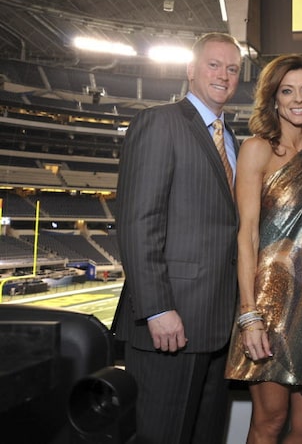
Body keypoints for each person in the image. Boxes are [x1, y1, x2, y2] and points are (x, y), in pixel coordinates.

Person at [113, 32, 242, 443]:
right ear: (190, 69)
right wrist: (156, 308)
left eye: (233, 68)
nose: (224, 75)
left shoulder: (232, 138)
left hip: (217, 325)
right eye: (214, 64)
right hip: (171, 321)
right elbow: (138, 220)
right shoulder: (160, 122)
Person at [224, 54, 302, 442]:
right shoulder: (258, 149)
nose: (298, 99)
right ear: (273, 98)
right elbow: (248, 234)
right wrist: (249, 314)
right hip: (268, 306)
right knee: (270, 420)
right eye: (287, 90)